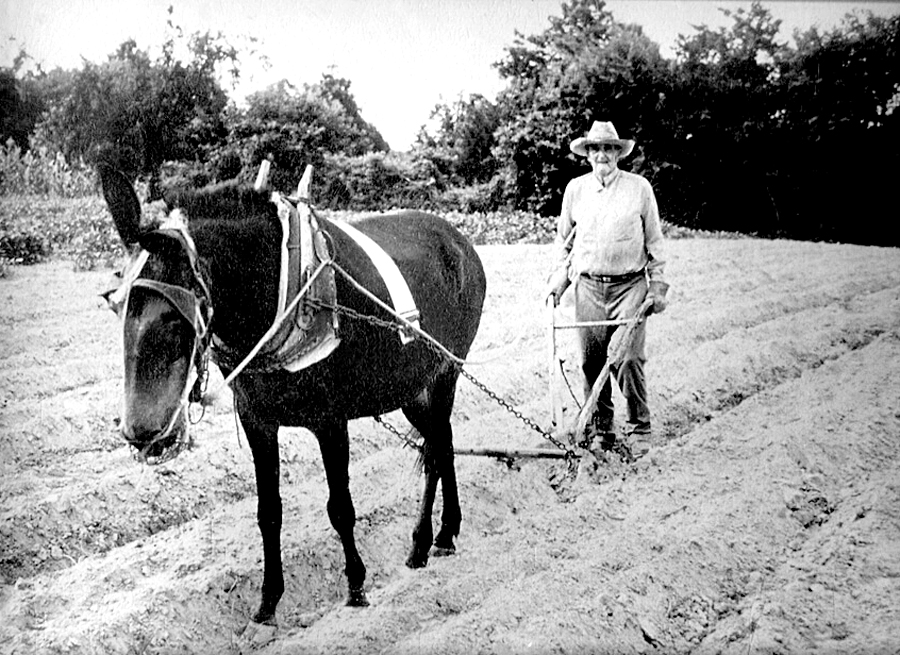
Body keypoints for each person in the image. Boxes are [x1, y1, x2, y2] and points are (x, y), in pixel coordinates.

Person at [545, 121, 668, 459]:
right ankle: (602, 428)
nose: (602, 155)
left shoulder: (639, 188)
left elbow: (655, 240)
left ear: (618, 153)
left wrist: (656, 286)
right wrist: (560, 278)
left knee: (628, 359)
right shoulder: (576, 190)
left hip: (629, 285)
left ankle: (640, 425)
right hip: (588, 286)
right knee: (591, 362)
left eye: (609, 149)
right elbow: (564, 241)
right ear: (587, 154)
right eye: (595, 149)